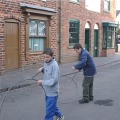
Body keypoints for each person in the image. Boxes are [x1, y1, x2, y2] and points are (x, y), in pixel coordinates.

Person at [36, 48, 64, 120]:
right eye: (44, 57)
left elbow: (54, 80)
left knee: (49, 112)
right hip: (47, 91)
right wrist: (42, 69)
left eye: (47, 57)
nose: (45, 59)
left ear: (52, 56)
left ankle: (58, 116)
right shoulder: (46, 63)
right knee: (52, 106)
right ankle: (60, 116)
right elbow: (47, 71)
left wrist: (42, 82)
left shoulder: (55, 66)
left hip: (52, 92)